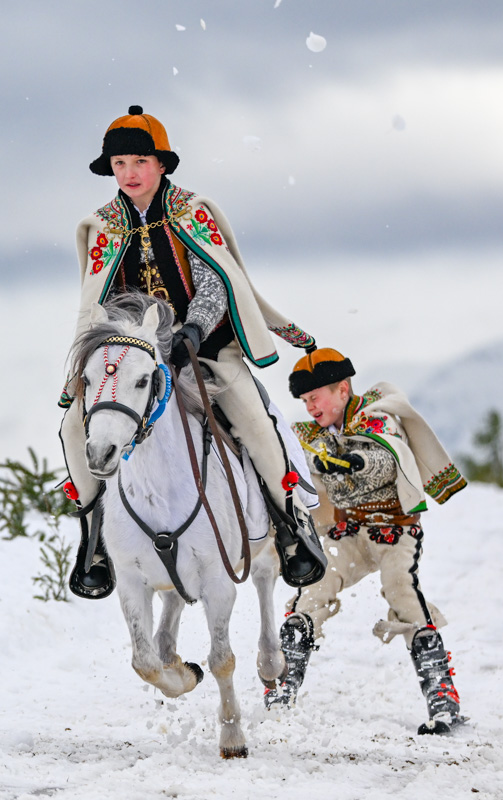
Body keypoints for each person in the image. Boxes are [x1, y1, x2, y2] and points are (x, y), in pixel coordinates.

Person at [59, 105, 328, 599]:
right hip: (132, 353)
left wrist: (195, 329)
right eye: (119, 164)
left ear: (161, 164)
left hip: (203, 350)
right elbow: (97, 303)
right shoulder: (101, 226)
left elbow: (215, 280)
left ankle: (291, 527)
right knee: (75, 425)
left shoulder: (192, 211)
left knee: (252, 417)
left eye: (139, 161)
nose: (130, 173)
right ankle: (93, 536)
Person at [265, 347, 468, 735]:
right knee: (311, 591)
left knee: (402, 591)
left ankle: (442, 697)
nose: (310, 407)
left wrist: (356, 462)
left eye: (315, 397)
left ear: (343, 390)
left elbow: (387, 457)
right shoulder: (309, 437)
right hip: (349, 534)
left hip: (395, 530)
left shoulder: (376, 415)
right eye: (305, 400)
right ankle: (282, 686)